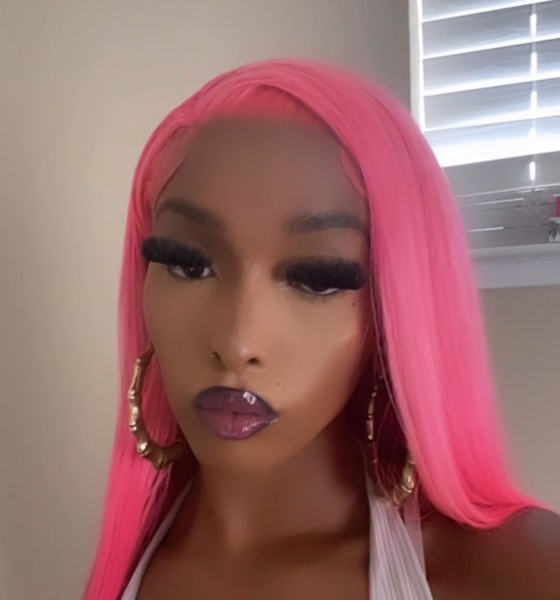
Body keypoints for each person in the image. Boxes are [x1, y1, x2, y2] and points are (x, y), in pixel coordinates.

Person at [85, 59, 560, 600]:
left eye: (316, 278)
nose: (238, 343)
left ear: (393, 313)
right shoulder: (133, 559)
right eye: (188, 264)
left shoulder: (519, 574)